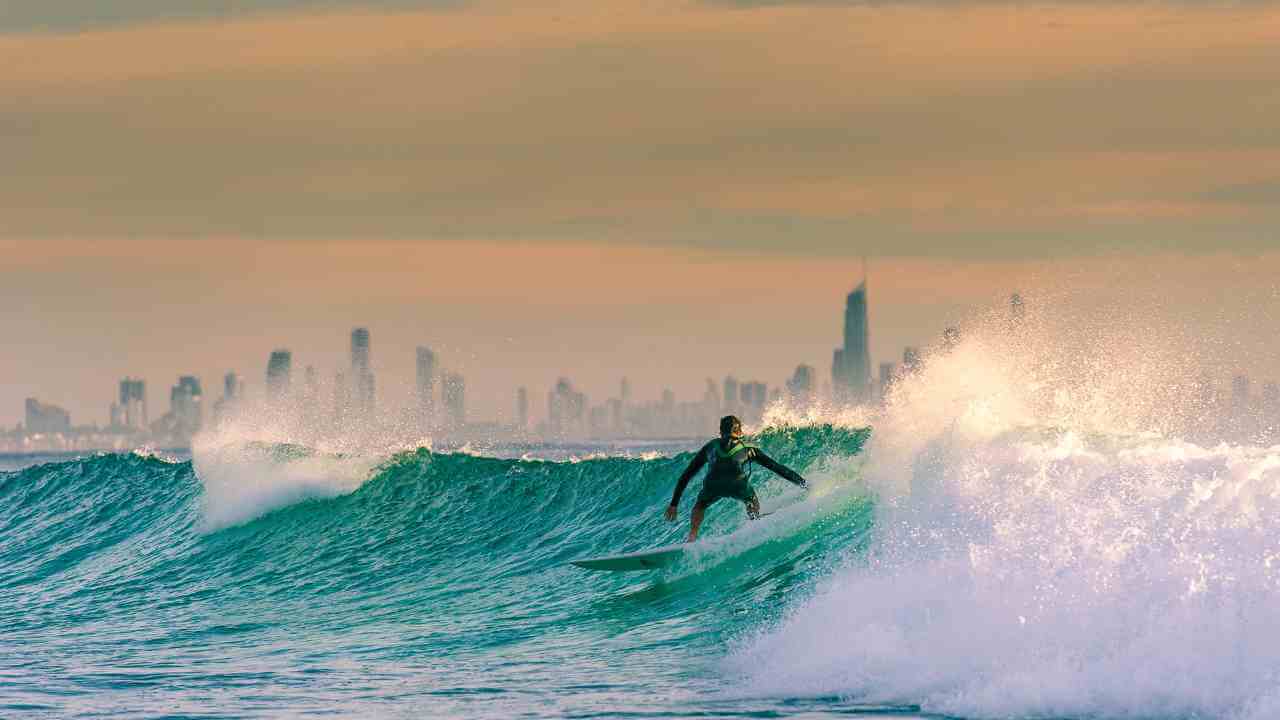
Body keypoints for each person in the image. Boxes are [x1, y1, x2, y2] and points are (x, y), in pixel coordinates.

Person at [664, 415, 807, 542]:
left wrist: (674, 504)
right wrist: (803, 483)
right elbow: (777, 468)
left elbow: (687, 475)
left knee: (700, 505)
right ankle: (755, 523)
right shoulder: (748, 448)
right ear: (739, 432)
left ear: (720, 432)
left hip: (713, 485)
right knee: (751, 500)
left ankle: (692, 536)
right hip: (738, 485)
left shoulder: (710, 447)